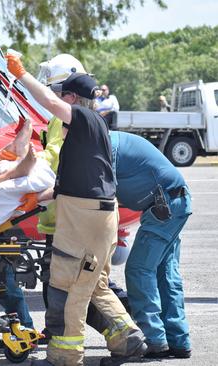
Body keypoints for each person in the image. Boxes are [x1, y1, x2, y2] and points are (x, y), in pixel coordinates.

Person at [6, 53, 146, 366]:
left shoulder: (82, 119)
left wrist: (21, 74)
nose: (57, 102)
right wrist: (39, 198)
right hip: (97, 216)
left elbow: (52, 105)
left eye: (62, 98)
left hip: (82, 220)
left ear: (72, 99)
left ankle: (65, 357)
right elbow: (76, 181)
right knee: (94, 283)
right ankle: (129, 337)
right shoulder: (94, 131)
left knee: (67, 285)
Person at [110, 130, 192, 359]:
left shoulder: (106, 147)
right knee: (166, 274)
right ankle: (179, 341)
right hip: (174, 202)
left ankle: (154, 339)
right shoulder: (114, 140)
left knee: (138, 269)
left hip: (164, 207)